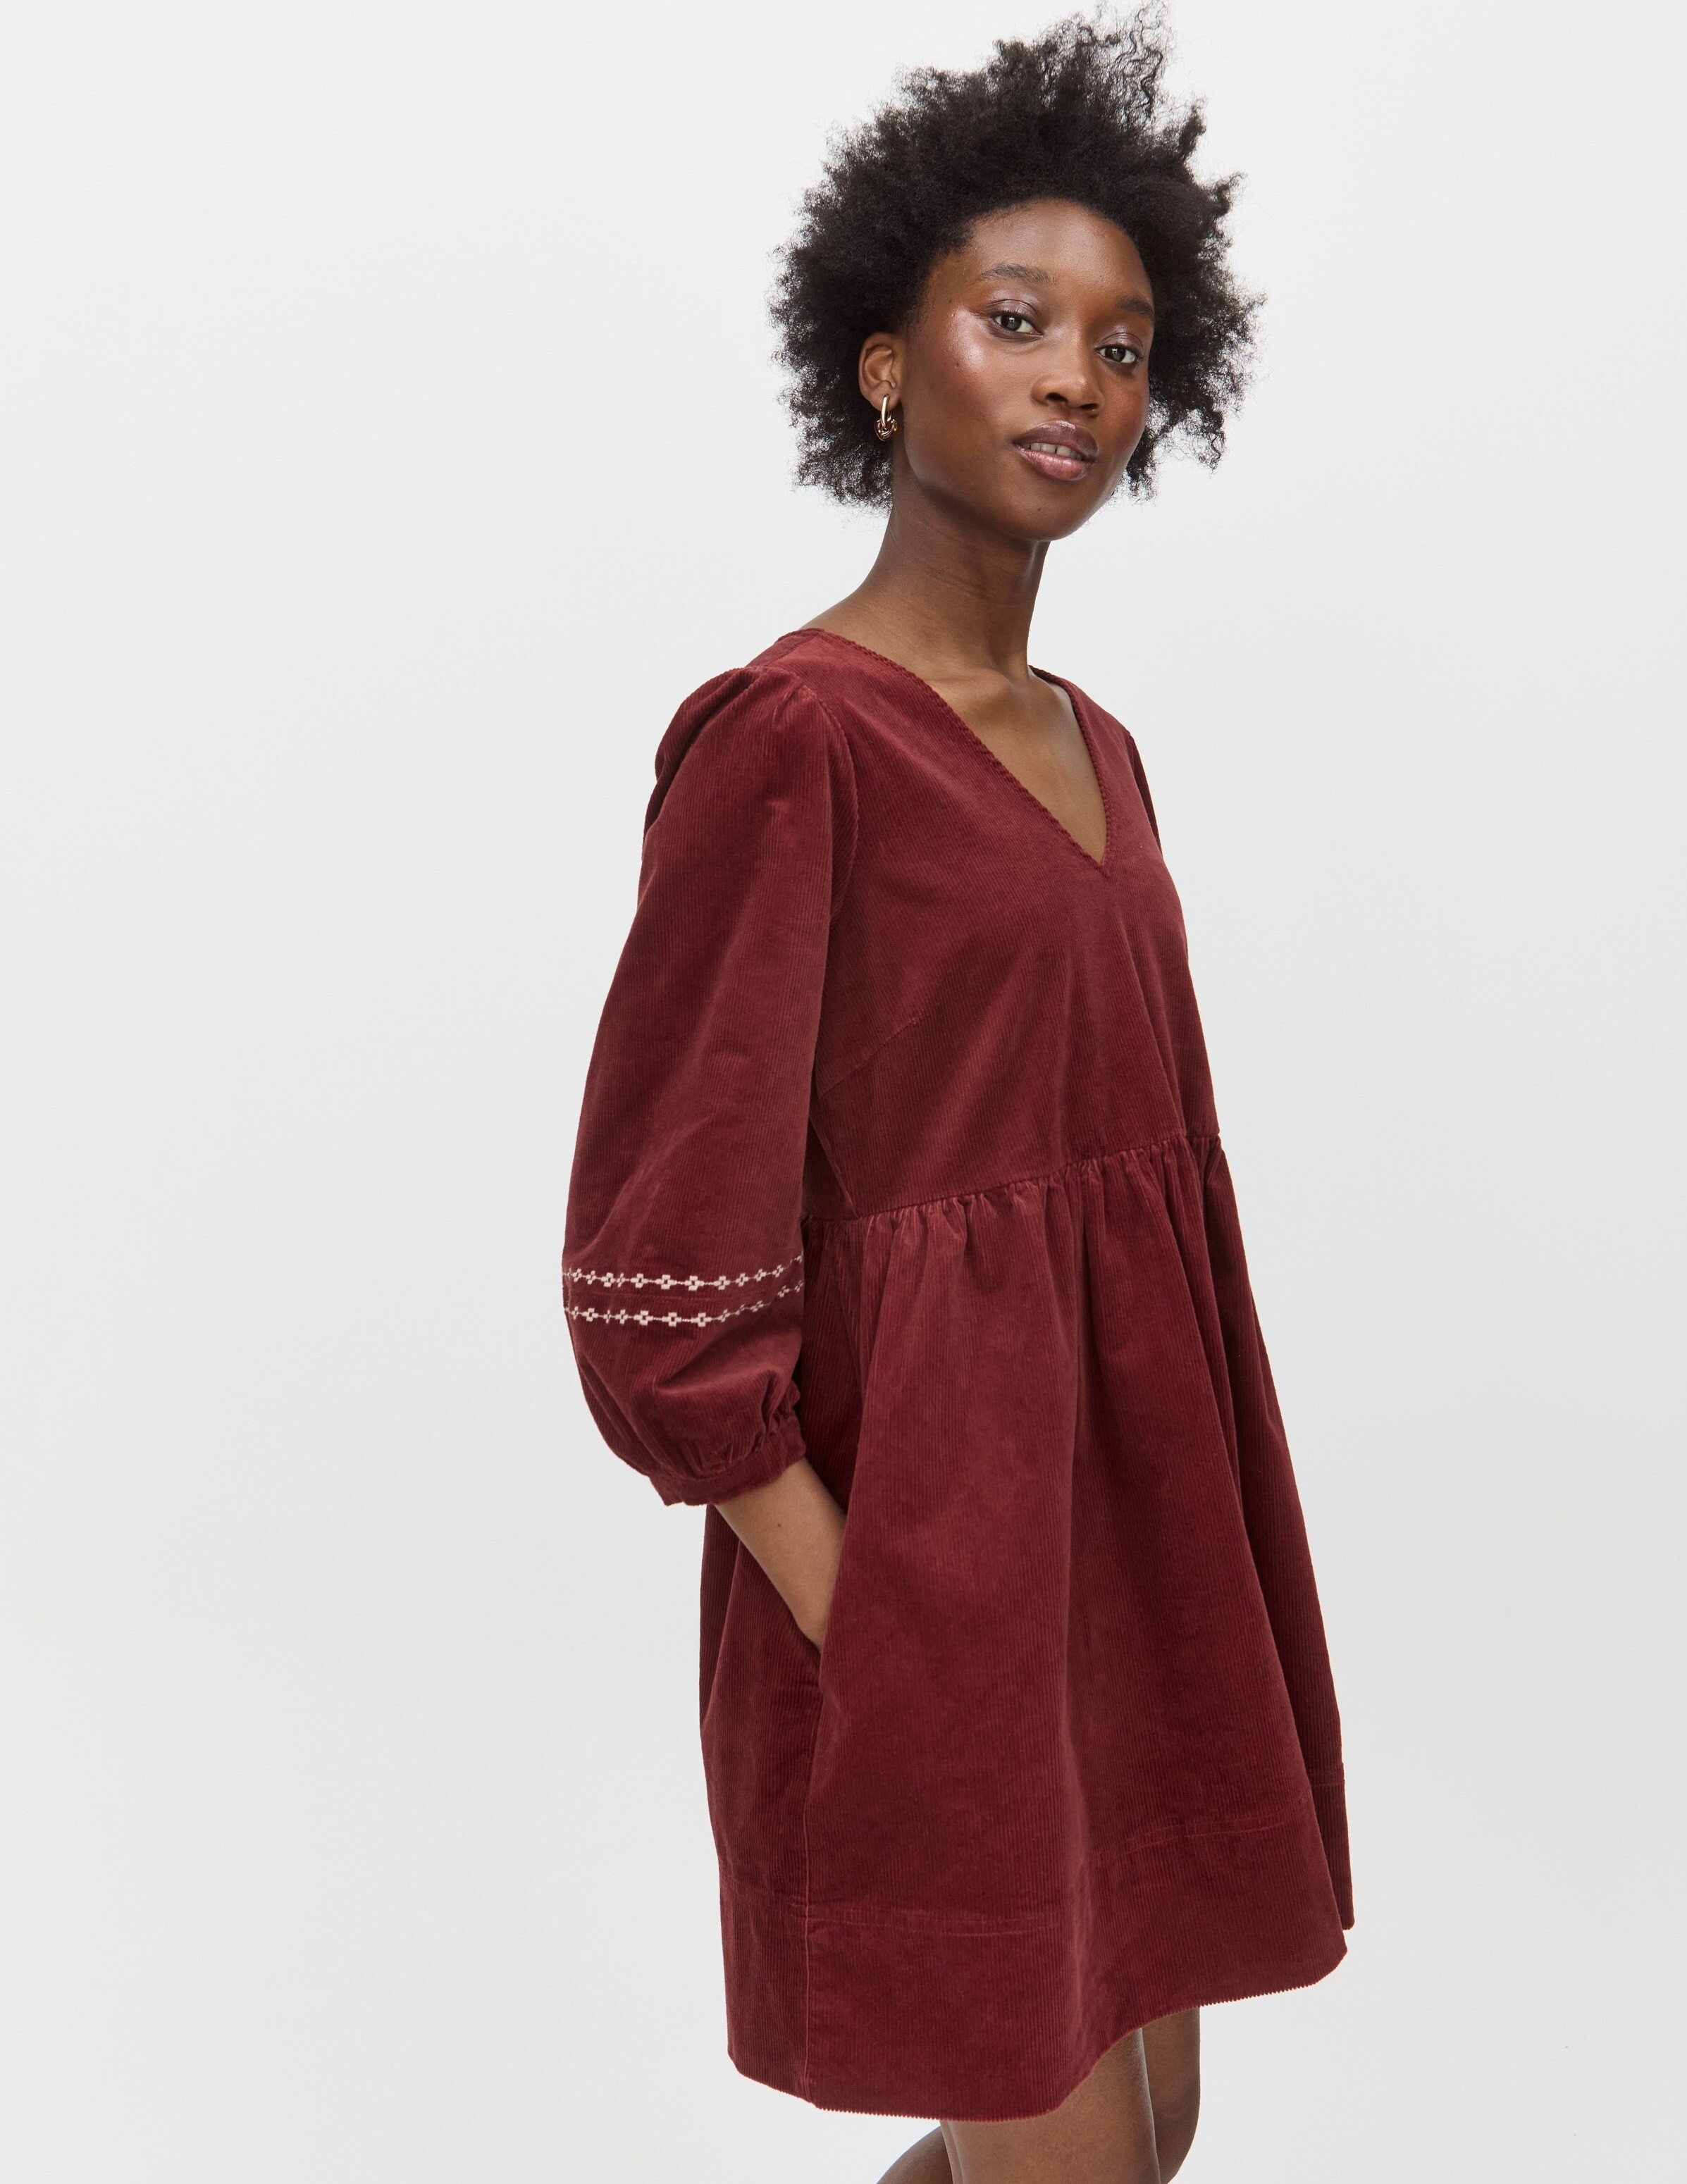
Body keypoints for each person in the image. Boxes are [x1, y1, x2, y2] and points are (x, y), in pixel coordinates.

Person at [560, 12, 1352, 2179]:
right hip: (938, 1571)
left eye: (1123, 341)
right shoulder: (791, 741)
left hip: (1136, 1542)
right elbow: (655, 1273)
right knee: (1068, 2152)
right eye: (1015, 319)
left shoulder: (1103, 744)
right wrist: (892, 1614)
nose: (1076, 376)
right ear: (885, 361)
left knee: (1154, 2119)